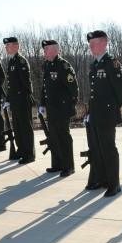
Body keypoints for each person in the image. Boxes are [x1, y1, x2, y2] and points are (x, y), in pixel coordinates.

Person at [85, 30, 122, 197]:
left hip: (107, 114)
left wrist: (111, 109)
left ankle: (114, 183)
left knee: (108, 149)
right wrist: (89, 111)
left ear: (103, 44)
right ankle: (100, 179)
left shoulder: (112, 63)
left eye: (94, 43)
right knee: (96, 149)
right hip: (95, 114)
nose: (91, 46)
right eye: (90, 44)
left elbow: (121, 91)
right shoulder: (94, 64)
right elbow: (93, 92)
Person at [38, 40, 78, 177]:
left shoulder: (63, 65)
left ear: (56, 50)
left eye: (47, 48)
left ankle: (69, 166)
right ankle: (57, 164)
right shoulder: (47, 65)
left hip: (62, 108)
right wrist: (42, 104)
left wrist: (70, 104)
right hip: (51, 107)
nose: (45, 51)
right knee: (53, 136)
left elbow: (73, 87)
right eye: (44, 49)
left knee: (63, 137)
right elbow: (45, 88)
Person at [2, 36, 36, 164]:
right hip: (15, 101)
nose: (6, 47)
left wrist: (25, 96)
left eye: (8, 45)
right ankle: (21, 150)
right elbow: (11, 85)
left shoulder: (21, 61)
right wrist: (8, 99)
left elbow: (26, 83)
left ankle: (29, 154)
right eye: (6, 46)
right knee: (18, 127)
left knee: (26, 128)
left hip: (22, 99)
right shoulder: (11, 61)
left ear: (16, 47)